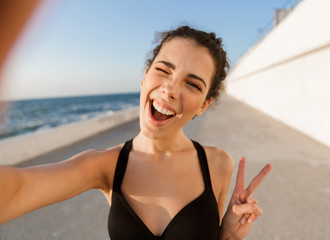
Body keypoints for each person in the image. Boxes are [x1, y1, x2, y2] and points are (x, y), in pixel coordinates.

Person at [0, 26, 272, 239]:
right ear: (144, 76)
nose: (170, 89)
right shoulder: (106, 164)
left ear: (204, 105)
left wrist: (228, 235)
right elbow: (19, 189)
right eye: (163, 70)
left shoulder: (218, 163)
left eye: (192, 84)